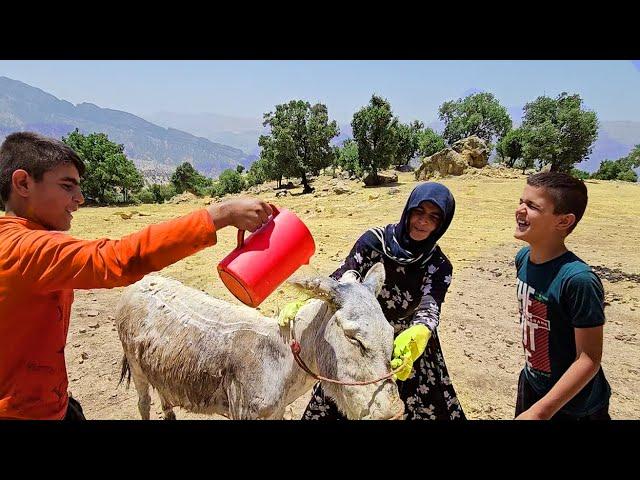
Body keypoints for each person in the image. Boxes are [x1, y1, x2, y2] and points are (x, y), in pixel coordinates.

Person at [0, 131, 272, 420]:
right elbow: (118, 259)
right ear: (23, 183)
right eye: (67, 186)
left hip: (47, 402)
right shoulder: (24, 249)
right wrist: (222, 214)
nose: (79, 198)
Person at [301, 182, 466, 420]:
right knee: (345, 400)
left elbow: (430, 307)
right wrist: (311, 300)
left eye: (433, 217)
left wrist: (419, 332)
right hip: (362, 338)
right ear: (408, 210)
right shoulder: (373, 242)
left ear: (442, 224)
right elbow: (346, 275)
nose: (423, 222)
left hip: (405, 350)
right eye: (419, 212)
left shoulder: (438, 265)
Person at [513, 172, 611, 420]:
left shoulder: (578, 280)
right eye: (521, 201)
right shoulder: (523, 259)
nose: (520, 210)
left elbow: (588, 359)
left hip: (575, 405)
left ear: (564, 221)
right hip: (533, 386)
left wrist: (540, 412)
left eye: (533, 206)